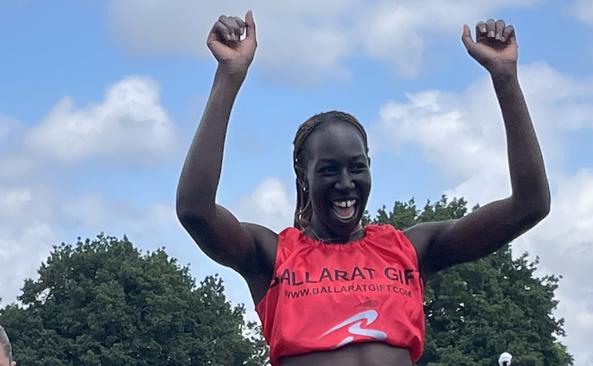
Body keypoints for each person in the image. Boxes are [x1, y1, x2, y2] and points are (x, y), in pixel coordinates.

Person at [176, 11, 550, 366]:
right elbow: (195, 210)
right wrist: (228, 77)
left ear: (370, 167)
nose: (345, 183)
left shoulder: (410, 250)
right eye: (328, 170)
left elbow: (530, 204)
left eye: (356, 167)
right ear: (303, 177)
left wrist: (505, 78)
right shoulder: (271, 255)